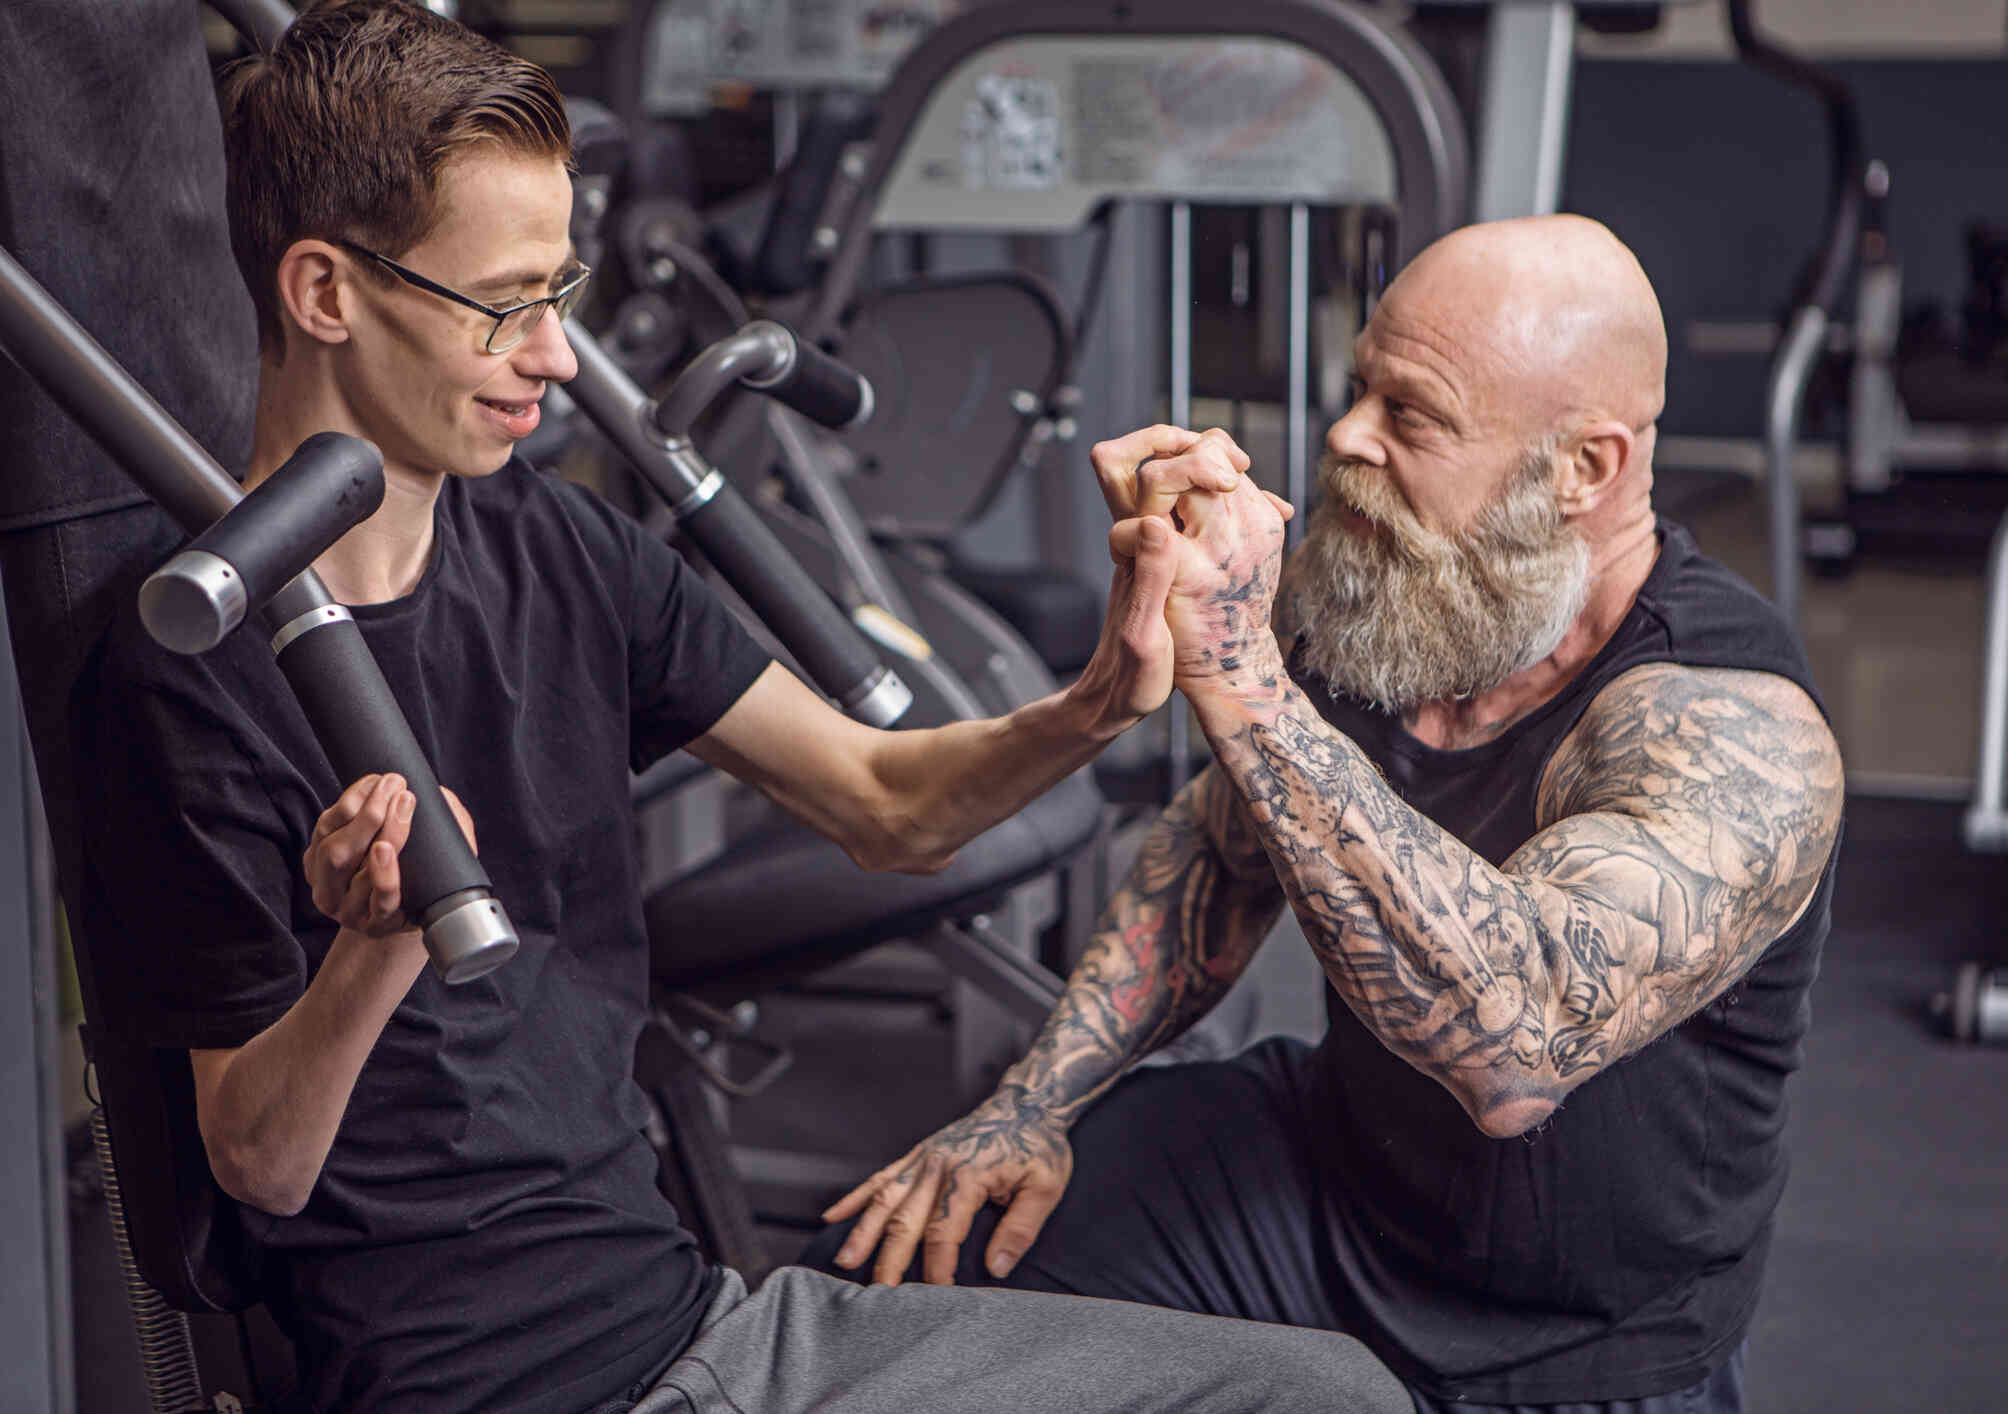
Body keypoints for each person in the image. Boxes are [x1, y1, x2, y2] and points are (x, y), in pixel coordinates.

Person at [69, 3, 1418, 1410]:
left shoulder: (561, 550)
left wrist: (1097, 699)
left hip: (699, 1330)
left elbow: (890, 806)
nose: (548, 357)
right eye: (504, 305)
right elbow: (258, 1160)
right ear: (325, 293)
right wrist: (375, 952)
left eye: (559, 296)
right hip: (469, 1384)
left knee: (1325, 1394)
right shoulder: (192, 653)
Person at [814, 214, 1848, 1414]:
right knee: (902, 1288)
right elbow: (1218, 855)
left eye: (1410, 415)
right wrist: (1027, 1108)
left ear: (1586, 469)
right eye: (1360, 388)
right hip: (1334, 1188)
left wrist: (1242, 674)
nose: (1347, 437)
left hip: (1575, 1346)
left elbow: (1512, 1055)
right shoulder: (1398, 601)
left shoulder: (1731, 724)